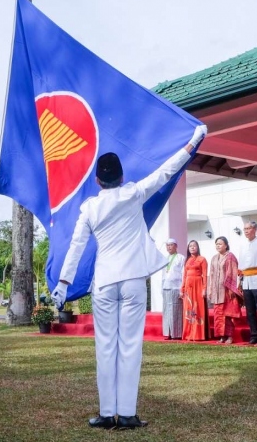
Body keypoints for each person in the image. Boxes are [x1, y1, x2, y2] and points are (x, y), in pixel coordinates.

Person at [52, 124, 207, 430]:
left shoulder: (90, 208)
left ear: (98, 180)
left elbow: (76, 246)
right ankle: (127, 413)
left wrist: (64, 283)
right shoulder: (133, 193)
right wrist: (193, 141)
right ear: (121, 177)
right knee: (130, 346)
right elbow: (166, 172)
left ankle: (107, 413)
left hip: (105, 282)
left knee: (106, 346)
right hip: (134, 279)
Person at [207, 236, 241, 344]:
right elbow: (211, 275)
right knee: (218, 315)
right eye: (216, 244)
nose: (218, 246)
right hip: (216, 292)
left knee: (227, 314)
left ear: (226, 245)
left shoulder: (230, 257)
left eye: (220, 244)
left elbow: (233, 273)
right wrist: (210, 289)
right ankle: (221, 336)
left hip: (226, 291)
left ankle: (230, 336)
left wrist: (232, 288)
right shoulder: (214, 258)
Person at [181, 240, 208, 342]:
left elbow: (204, 275)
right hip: (188, 286)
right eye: (190, 246)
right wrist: (182, 288)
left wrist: (204, 288)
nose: (192, 247)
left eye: (194, 246)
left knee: (197, 308)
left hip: (198, 285)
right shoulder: (187, 260)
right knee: (188, 308)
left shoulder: (202, 259)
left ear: (198, 247)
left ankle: (198, 334)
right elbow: (184, 276)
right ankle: (189, 333)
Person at [161, 238, 185, 340]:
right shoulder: (165, 259)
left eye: (171, 245)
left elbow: (184, 273)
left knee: (176, 310)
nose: (169, 247)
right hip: (166, 287)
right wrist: (161, 288)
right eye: (167, 245)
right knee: (167, 311)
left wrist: (182, 289)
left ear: (176, 246)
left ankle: (177, 334)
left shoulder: (181, 258)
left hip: (176, 287)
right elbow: (163, 275)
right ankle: (168, 333)